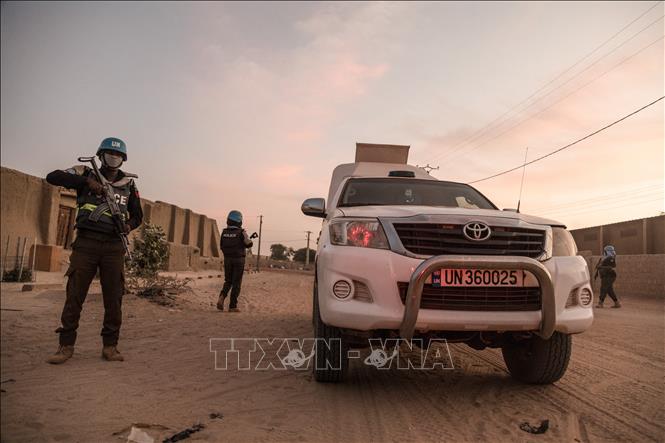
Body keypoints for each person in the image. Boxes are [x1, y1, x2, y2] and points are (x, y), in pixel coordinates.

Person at [45, 137, 143, 364]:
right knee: (74, 295)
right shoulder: (85, 173)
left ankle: (110, 347)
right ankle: (66, 346)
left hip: (113, 247)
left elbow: (138, 216)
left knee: (114, 297)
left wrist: (127, 226)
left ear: (122, 160)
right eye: (109, 155)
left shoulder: (129, 184)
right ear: (100, 156)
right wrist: (86, 184)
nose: (113, 160)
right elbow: (53, 177)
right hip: (86, 244)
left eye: (117, 156)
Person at [217, 210, 256, 312]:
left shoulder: (224, 232)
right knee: (236, 283)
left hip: (227, 260)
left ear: (228, 220)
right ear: (239, 221)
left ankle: (221, 297)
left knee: (228, 281)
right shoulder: (242, 232)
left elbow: (221, 246)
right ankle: (232, 306)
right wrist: (247, 241)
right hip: (238, 260)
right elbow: (249, 244)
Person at [594, 245, 621, 309]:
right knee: (609, 290)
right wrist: (596, 274)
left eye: (605, 251)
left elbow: (611, 267)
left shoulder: (611, 258)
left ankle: (600, 303)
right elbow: (598, 267)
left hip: (609, 276)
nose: (604, 252)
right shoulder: (603, 258)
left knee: (603, 288)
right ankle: (617, 303)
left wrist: (601, 267)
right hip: (604, 276)